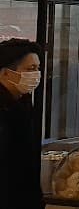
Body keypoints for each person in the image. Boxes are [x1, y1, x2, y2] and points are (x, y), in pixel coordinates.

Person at [0, 39, 44, 209]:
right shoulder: (6, 112)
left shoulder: (23, 106)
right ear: (5, 74)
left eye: (37, 69)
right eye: (30, 69)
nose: (36, 74)